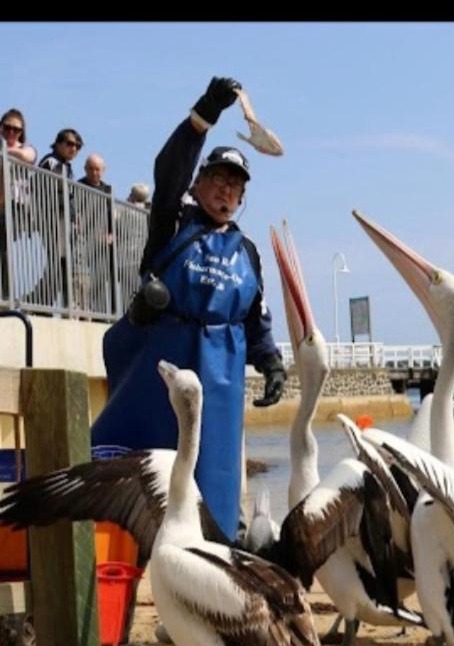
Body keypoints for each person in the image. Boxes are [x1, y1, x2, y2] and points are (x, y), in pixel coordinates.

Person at [91, 77, 286, 541]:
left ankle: (213, 554)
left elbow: (255, 317)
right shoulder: (173, 223)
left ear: (241, 198)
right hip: (161, 372)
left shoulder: (248, 253)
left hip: (221, 379)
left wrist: (272, 362)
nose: (225, 191)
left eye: (234, 186)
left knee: (212, 482)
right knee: (145, 472)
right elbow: (169, 171)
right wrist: (203, 115)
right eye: (217, 180)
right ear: (199, 184)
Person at [27, 128, 83, 306]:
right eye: (69, 144)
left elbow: (68, 195)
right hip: (53, 219)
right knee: (57, 262)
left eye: (77, 146)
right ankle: (39, 301)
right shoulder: (51, 162)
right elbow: (43, 188)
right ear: (58, 144)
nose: (73, 148)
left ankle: (43, 301)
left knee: (61, 263)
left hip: (63, 220)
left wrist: (75, 216)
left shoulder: (67, 166)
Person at [0, 109, 37, 300]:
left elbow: (28, 157)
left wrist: (5, 151)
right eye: (7, 128)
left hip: (14, 208)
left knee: (6, 251)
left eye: (16, 129)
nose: (11, 133)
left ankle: (7, 297)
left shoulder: (26, 148)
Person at [77, 153, 115, 312]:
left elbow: (110, 213)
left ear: (103, 170)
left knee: (100, 276)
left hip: (100, 239)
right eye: (91, 169)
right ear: (85, 169)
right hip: (82, 238)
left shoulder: (108, 189)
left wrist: (111, 233)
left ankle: (97, 309)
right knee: (80, 276)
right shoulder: (77, 186)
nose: (94, 173)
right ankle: (82, 308)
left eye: (97, 169)